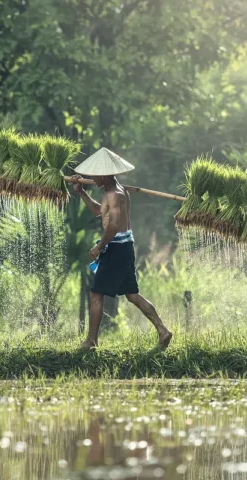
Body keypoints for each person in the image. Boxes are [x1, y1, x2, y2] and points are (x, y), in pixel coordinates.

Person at [70, 147, 173, 350]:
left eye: (95, 175)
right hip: (124, 246)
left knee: (96, 294)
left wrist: (99, 246)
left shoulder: (116, 194)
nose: (93, 178)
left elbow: (114, 226)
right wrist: (81, 192)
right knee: (132, 294)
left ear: (105, 175)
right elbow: (100, 212)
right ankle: (163, 330)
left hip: (117, 248)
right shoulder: (114, 192)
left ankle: (91, 341)